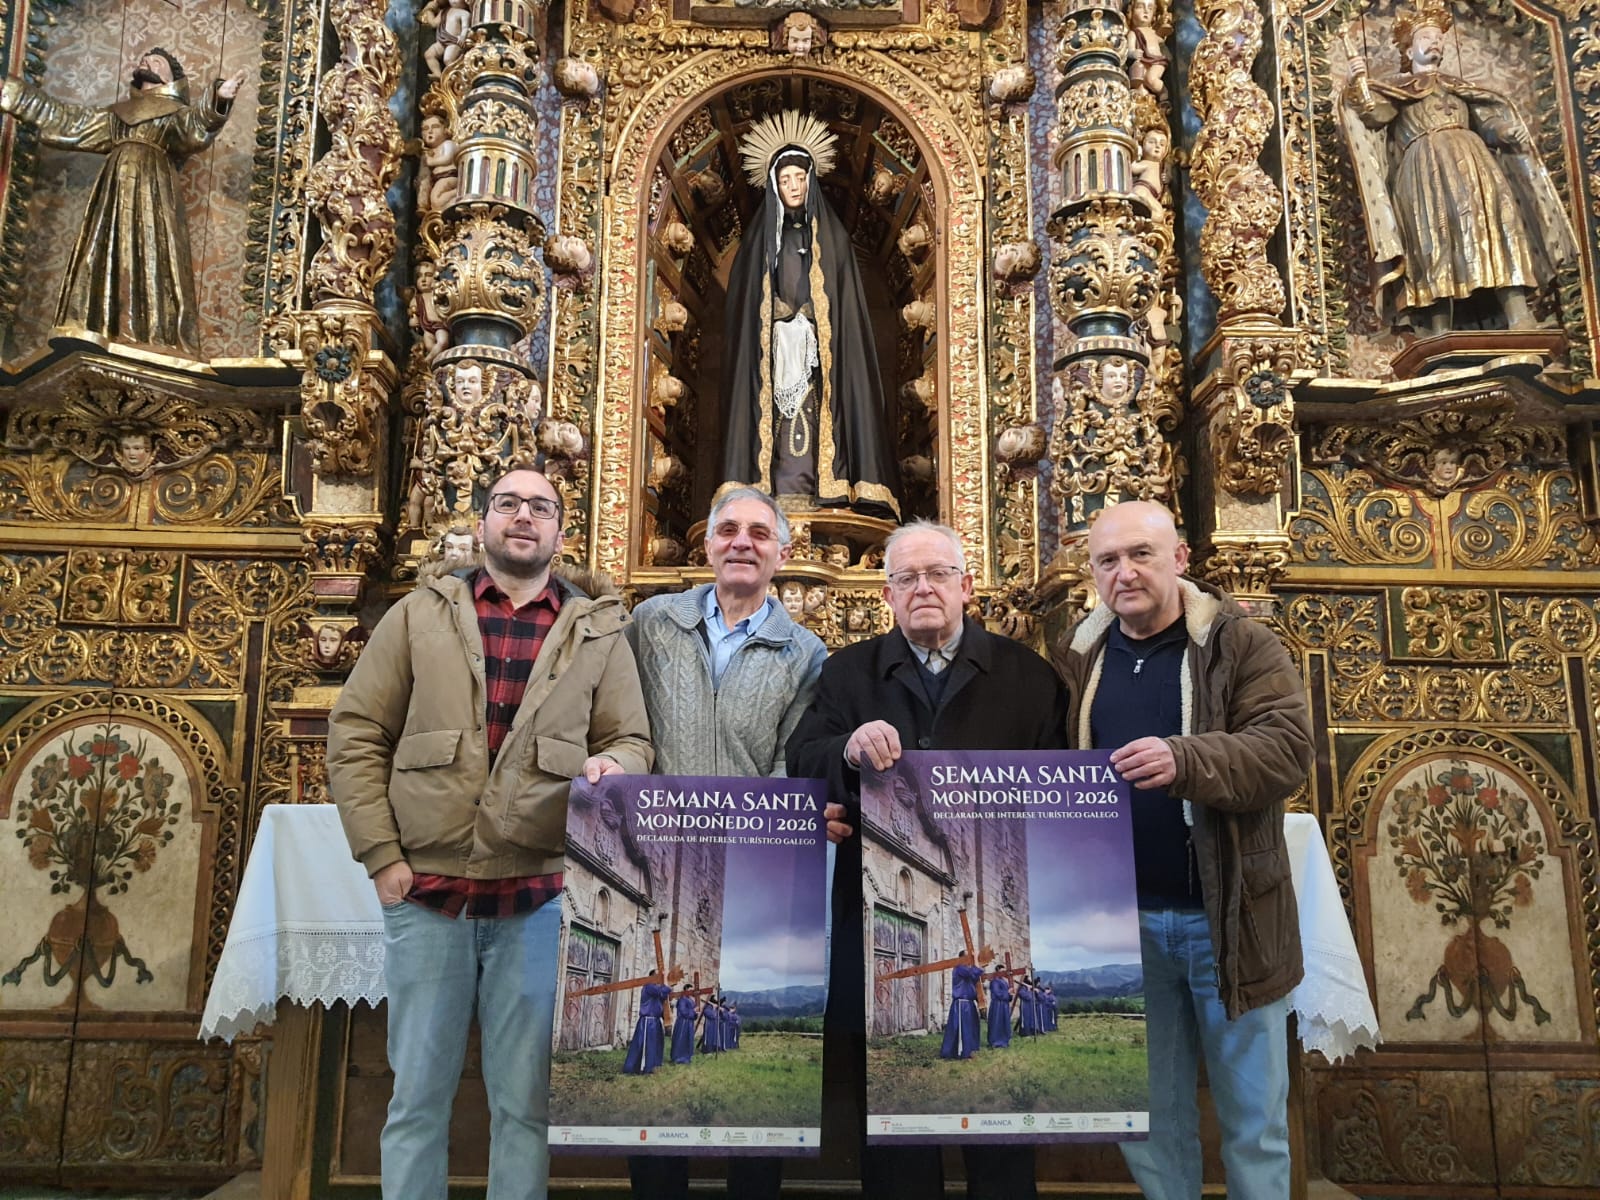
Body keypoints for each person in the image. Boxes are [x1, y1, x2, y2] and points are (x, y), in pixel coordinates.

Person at [327, 464, 653, 1200]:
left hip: (538, 898)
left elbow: (633, 739)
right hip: (427, 895)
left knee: (524, 1107)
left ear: (561, 532)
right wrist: (382, 857)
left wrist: (611, 762)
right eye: (507, 503)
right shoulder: (419, 614)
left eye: (541, 507)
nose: (523, 517)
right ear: (482, 523)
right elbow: (357, 734)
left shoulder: (599, 630)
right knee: (416, 1101)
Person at [787, 519, 1072, 1200]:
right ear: (886, 592)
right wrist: (848, 748)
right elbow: (803, 759)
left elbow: (1063, 787)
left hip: (997, 917)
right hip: (881, 919)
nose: (923, 588)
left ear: (967, 586)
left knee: (1000, 1111)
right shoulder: (846, 672)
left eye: (938, 574)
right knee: (894, 1108)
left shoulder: (1029, 677)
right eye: (908, 577)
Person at [1052, 499, 1313, 1200]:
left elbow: (1288, 750)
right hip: (1124, 926)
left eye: (1141, 553)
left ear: (1181, 559)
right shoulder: (1079, 654)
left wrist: (1185, 760)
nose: (1125, 572)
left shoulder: (1240, 644)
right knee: (1151, 1119)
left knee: (1254, 1120)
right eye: (1108, 559)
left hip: (1228, 918)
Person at [623, 485, 828, 1198]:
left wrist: (760, 852)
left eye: (760, 533)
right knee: (653, 1057)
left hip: (749, 876)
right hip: (650, 865)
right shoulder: (650, 624)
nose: (743, 542)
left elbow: (788, 762)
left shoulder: (804, 651)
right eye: (729, 530)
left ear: (783, 552)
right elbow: (622, 727)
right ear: (705, 543)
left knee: (745, 1051)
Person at [1341, 0, 1576, 334]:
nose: (1435, 43)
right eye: (1426, 37)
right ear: (1409, 50)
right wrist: (1358, 84)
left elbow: (1487, 121)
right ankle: (1439, 328)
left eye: (1439, 38)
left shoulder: (1460, 88)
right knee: (1432, 238)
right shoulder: (1397, 91)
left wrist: (1505, 130)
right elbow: (1374, 116)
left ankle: (1518, 314)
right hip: (1424, 169)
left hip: (1476, 165)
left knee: (1498, 226)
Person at [0, 48, 243, 356]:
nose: (147, 63)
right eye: (144, 60)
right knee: (103, 248)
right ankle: (97, 327)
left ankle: (151, 334)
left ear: (172, 78)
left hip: (152, 190)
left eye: (157, 62)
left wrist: (219, 99)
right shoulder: (116, 115)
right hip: (113, 189)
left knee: (150, 252)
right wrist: (14, 93)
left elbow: (195, 128)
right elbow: (66, 119)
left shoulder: (175, 114)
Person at [720, 110, 899, 518]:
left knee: (816, 413)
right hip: (772, 351)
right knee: (777, 419)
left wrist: (813, 323)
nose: (794, 186)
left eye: (800, 177)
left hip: (820, 353)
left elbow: (844, 308)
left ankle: (828, 489)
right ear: (774, 186)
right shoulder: (758, 244)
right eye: (785, 180)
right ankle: (774, 492)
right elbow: (747, 309)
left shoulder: (832, 239)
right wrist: (775, 319)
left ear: (811, 180)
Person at [622, 976, 672, 1076]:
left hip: (656, 1021)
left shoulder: (656, 989)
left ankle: (653, 1065)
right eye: (657, 977)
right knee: (646, 1044)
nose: (659, 980)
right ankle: (642, 1066)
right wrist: (667, 984)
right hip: (647, 1021)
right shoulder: (649, 986)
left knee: (655, 1045)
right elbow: (662, 991)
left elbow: (663, 996)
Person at [940, 959, 983, 1060]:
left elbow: (975, 977)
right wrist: (976, 962)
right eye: (968, 958)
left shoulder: (967, 971)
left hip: (969, 1003)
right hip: (961, 1003)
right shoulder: (959, 968)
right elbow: (973, 972)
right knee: (962, 1028)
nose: (969, 962)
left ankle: (969, 1050)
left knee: (971, 1028)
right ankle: (961, 1051)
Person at [669, 987, 700, 1065]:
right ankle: (678, 1057)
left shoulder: (691, 1000)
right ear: (686, 990)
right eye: (690, 989)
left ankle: (687, 1056)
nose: (691, 991)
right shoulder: (682, 999)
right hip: (683, 1023)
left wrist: (695, 1014)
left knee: (688, 1039)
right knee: (681, 1039)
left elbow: (693, 1011)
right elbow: (683, 1011)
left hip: (689, 1023)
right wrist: (693, 1011)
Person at [986, 973, 1012, 1049]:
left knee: (1004, 1022)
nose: (1004, 972)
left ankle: (1004, 1040)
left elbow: (1008, 993)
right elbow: (997, 993)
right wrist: (1007, 993)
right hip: (997, 1005)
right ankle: (995, 1041)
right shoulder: (994, 981)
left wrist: (1010, 994)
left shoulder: (1004, 981)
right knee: (996, 1022)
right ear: (998, 971)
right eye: (1002, 970)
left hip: (1004, 1005)